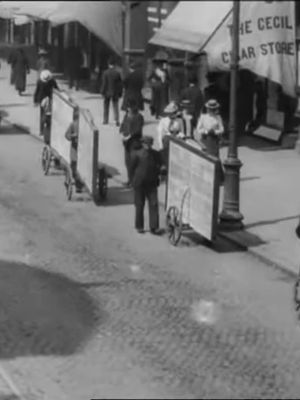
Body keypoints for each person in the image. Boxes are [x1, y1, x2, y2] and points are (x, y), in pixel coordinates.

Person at [130, 135, 162, 235]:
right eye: (146, 144)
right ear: (143, 144)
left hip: (152, 183)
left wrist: (160, 173)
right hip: (139, 183)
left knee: (154, 204)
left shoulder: (155, 154)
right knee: (139, 204)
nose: (148, 146)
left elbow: (160, 165)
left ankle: (154, 227)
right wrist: (133, 181)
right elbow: (131, 168)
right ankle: (139, 226)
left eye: (150, 144)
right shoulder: (137, 154)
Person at [195, 99, 225, 184]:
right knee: (205, 157)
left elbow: (222, 129)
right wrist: (206, 131)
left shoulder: (218, 117)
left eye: (213, 109)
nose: (211, 110)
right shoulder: (203, 117)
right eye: (210, 109)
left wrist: (215, 132)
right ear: (207, 109)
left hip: (214, 140)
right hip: (205, 139)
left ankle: (218, 179)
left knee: (215, 158)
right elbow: (198, 129)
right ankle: (206, 177)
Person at [119, 99, 144, 187]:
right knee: (127, 162)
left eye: (129, 108)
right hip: (126, 143)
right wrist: (122, 133)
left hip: (134, 143)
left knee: (134, 163)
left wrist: (129, 136)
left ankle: (134, 182)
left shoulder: (139, 117)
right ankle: (130, 180)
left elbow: (137, 130)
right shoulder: (127, 115)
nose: (128, 109)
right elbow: (123, 125)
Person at [157, 101, 185, 169]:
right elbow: (160, 134)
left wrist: (179, 135)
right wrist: (161, 146)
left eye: (174, 112)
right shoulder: (163, 121)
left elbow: (182, 132)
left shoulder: (179, 120)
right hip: (167, 141)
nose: (173, 114)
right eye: (171, 113)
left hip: (177, 139)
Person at [34, 70, 59, 140]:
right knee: (43, 115)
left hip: (51, 99)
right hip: (43, 100)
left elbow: (56, 88)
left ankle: (47, 129)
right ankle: (42, 130)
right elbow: (37, 90)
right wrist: (35, 100)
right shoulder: (40, 82)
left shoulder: (52, 81)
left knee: (49, 115)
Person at [65, 108, 84, 193]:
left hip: (81, 152)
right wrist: (73, 136)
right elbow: (67, 135)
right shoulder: (73, 125)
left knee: (77, 169)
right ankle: (78, 185)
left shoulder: (83, 126)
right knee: (74, 169)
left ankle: (79, 185)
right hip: (75, 152)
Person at [100, 57, 123, 126]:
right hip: (115, 92)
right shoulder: (117, 73)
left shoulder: (105, 73)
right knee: (115, 106)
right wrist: (120, 93)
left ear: (108, 64)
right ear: (115, 64)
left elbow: (104, 84)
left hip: (107, 92)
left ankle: (105, 120)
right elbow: (120, 85)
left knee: (106, 106)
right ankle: (117, 120)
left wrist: (102, 92)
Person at [148, 52, 170, 119]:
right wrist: (153, 82)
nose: (161, 65)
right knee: (157, 102)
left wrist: (167, 82)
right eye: (160, 64)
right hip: (157, 88)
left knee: (163, 102)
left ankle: (163, 114)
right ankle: (157, 114)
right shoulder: (155, 71)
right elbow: (149, 79)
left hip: (164, 88)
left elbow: (169, 79)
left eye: (162, 64)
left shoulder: (165, 71)